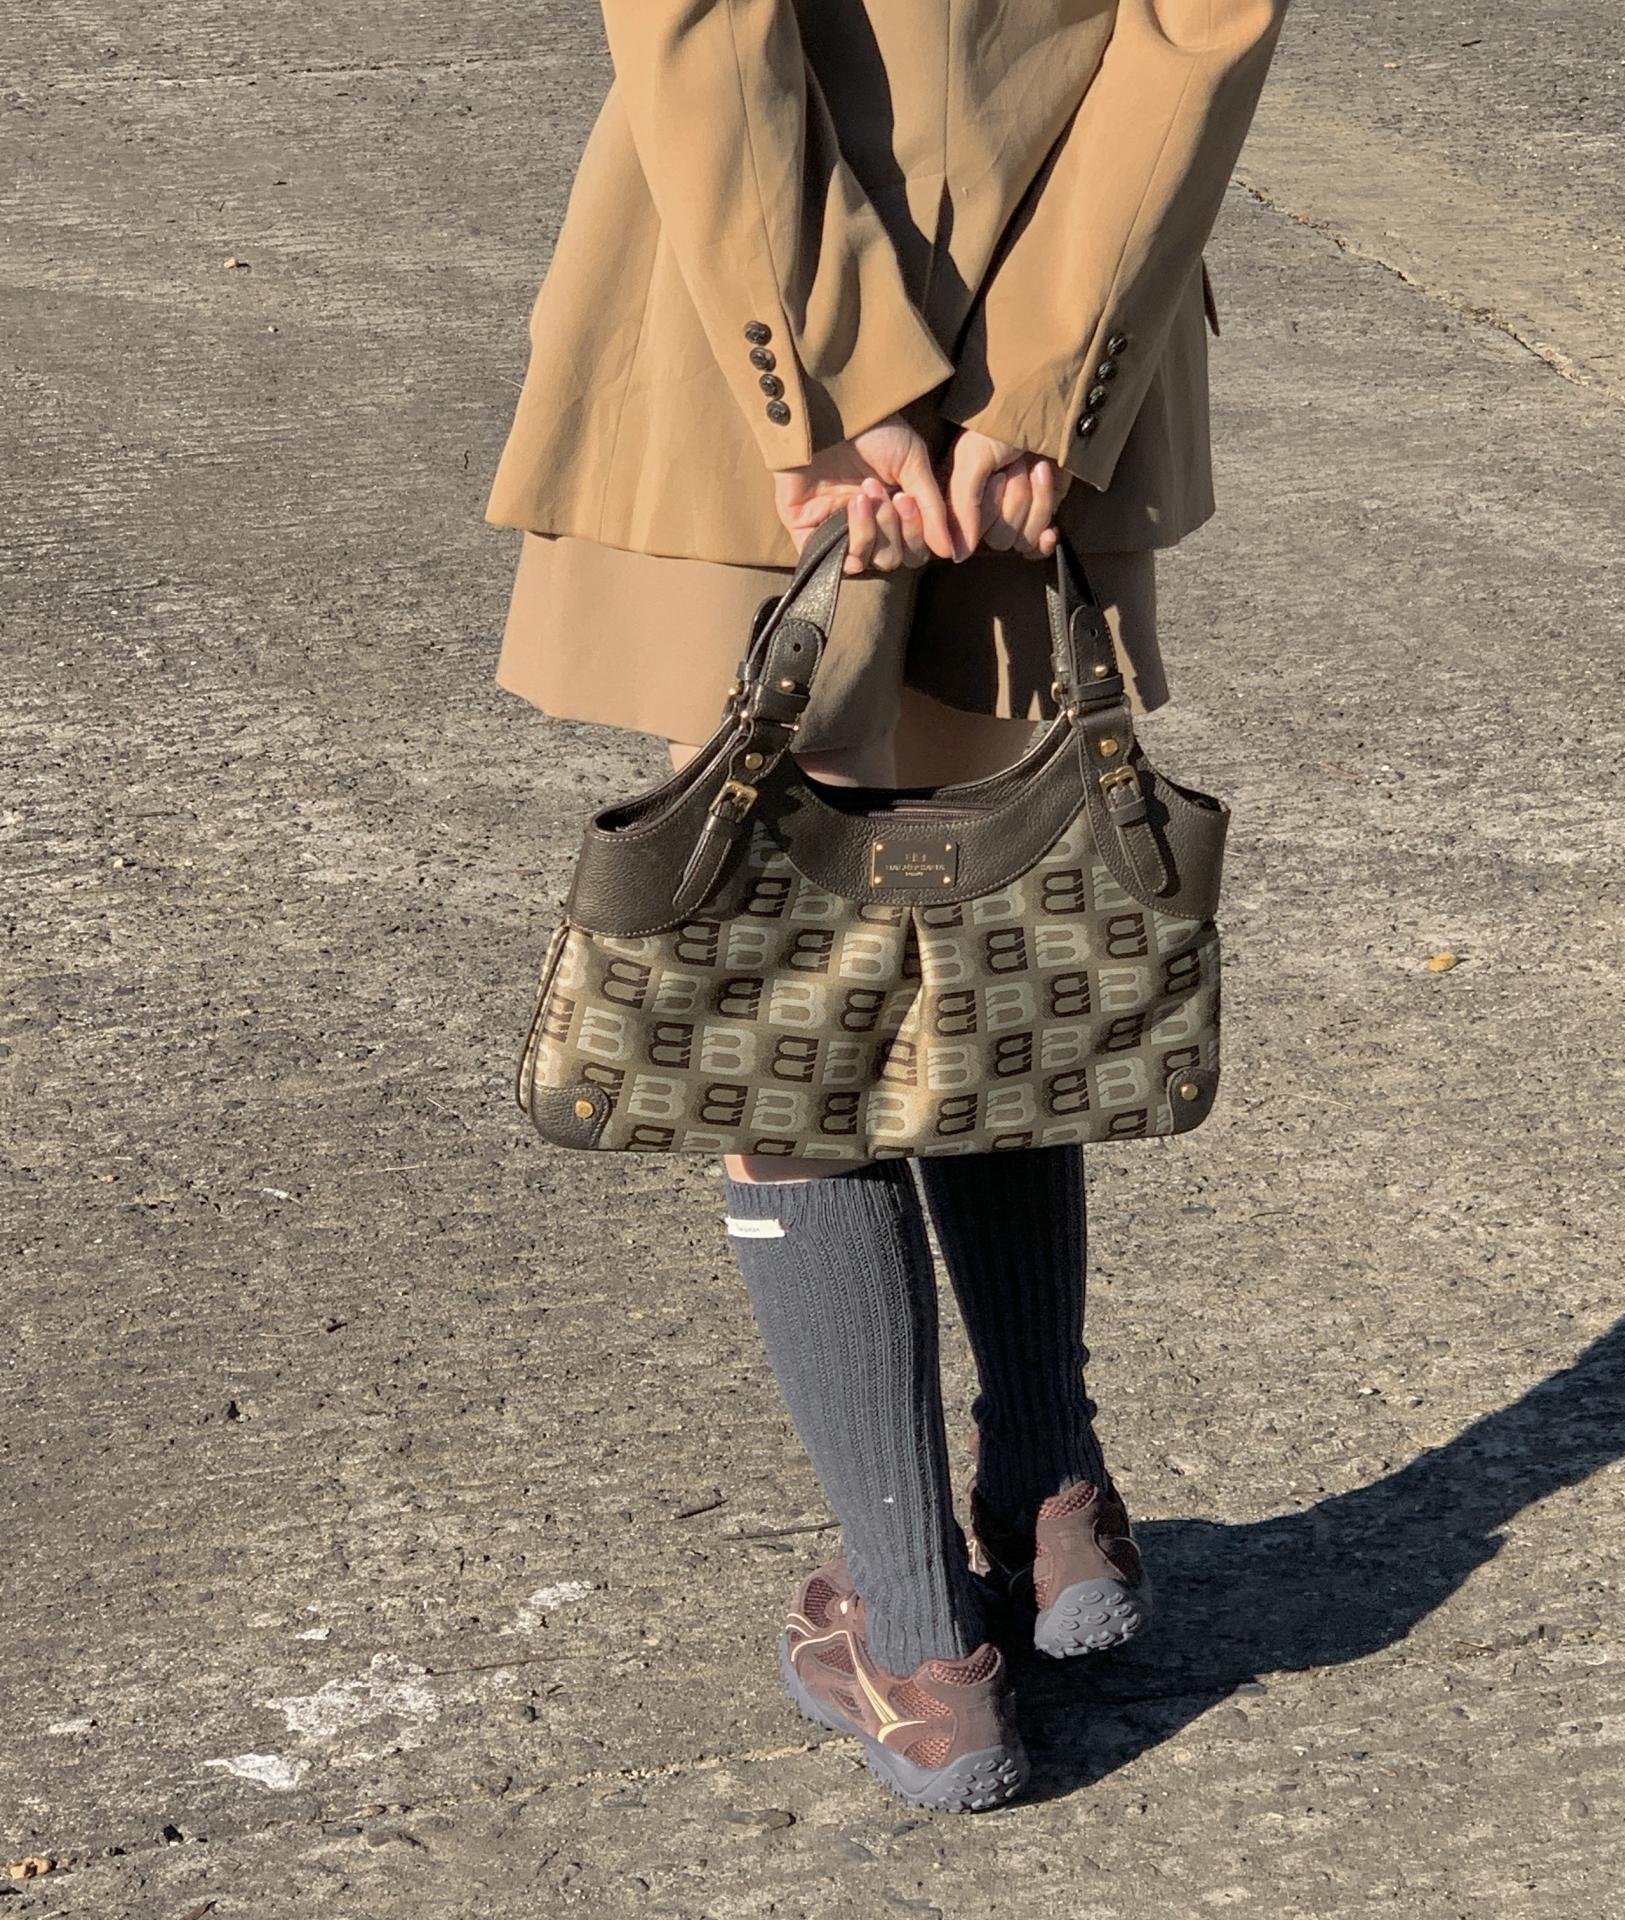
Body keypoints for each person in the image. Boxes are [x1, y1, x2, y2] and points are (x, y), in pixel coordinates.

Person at [486, 0, 1292, 1813]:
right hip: (1064, 290)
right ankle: (1052, 1498)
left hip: (758, 316)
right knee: (1002, 919)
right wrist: (1049, 375)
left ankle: (923, 1650)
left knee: (780, 979)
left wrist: (838, 374)